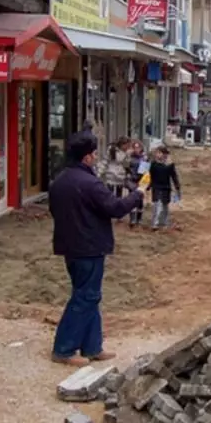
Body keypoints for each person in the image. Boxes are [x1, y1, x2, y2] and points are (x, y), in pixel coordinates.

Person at [48, 132, 143, 366]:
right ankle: (64, 349)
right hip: (89, 247)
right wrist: (138, 195)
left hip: (70, 246)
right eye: (93, 153)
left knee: (90, 296)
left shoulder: (59, 181)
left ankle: (92, 346)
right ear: (87, 157)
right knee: (85, 296)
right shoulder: (90, 184)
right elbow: (116, 208)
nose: (95, 156)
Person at [148, 145, 181, 231]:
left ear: (165, 154)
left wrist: (177, 187)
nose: (157, 154)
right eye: (157, 153)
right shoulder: (153, 164)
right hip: (156, 187)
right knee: (157, 204)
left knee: (165, 205)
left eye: (160, 153)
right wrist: (148, 185)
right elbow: (150, 175)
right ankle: (155, 223)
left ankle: (164, 223)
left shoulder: (169, 165)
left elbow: (174, 176)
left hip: (166, 187)